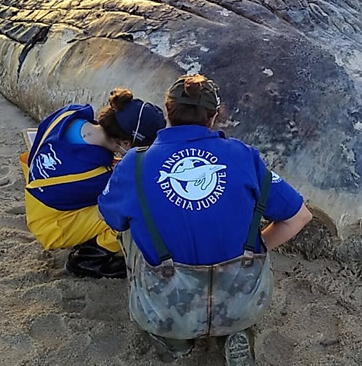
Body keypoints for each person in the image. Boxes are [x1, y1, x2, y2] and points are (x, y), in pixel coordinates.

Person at [98, 74, 313, 365]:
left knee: (129, 227)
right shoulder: (245, 156)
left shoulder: (133, 163)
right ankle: (234, 331)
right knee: (248, 225)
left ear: (167, 114)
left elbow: (112, 218)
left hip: (165, 308)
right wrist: (255, 246)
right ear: (214, 117)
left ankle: (175, 339)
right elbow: (300, 216)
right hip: (242, 302)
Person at [21, 88, 166, 279]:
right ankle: (89, 258)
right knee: (131, 211)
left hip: (38, 188)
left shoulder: (70, 113)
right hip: (52, 225)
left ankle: (84, 229)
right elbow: (121, 201)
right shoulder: (94, 174)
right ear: (126, 143)